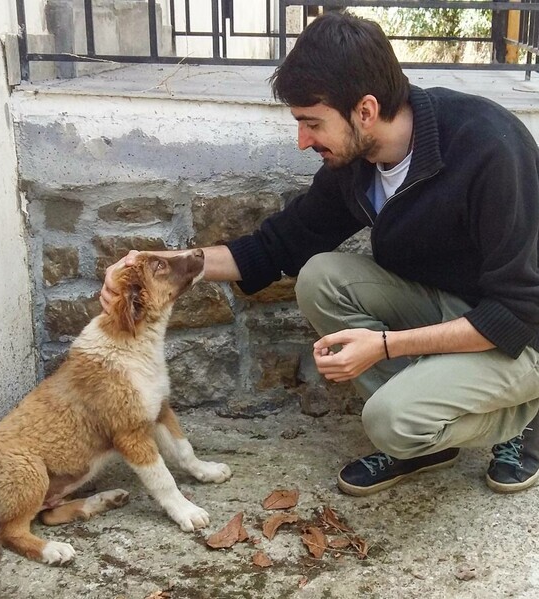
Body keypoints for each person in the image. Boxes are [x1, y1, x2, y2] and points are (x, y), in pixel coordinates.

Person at [100, 12, 539, 497]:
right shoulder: (359, 163)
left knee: (390, 420)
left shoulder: (490, 148)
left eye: (312, 123)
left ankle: (521, 417)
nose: (303, 140)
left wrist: (387, 346)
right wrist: (154, 261)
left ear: (365, 110)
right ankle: (427, 439)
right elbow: (276, 246)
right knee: (319, 276)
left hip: (520, 334)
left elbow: (516, 312)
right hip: (450, 305)